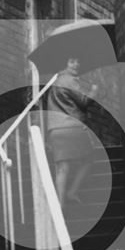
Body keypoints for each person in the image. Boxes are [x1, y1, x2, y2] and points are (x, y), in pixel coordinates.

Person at [46, 57, 98, 207]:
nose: (76, 64)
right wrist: (94, 91)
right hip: (71, 127)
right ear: (65, 64)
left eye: (77, 61)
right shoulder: (70, 80)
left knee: (62, 168)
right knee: (89, 159)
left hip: (55, 129)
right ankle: (72, 192)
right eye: (71, 61)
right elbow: (83, 101)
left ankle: (60, 206)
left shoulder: (55, 82)